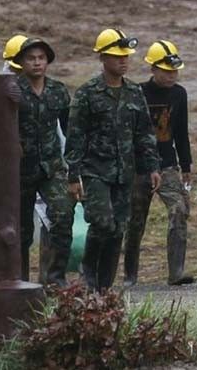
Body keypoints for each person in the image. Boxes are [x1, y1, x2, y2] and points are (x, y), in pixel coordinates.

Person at [65, 29, 161, 292]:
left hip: (124, 173)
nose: (123, 61)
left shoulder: (133, 92)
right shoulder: (87, 93)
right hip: (95, 171)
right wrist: (73, 176)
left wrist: (151, 166)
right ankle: (89, 273)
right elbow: (76, 136)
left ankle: (104, 287)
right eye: (117, 56)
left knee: (118, 229)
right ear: (103, 58)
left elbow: (144, 132)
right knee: (102, 223)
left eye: (126, 56)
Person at [123, 40, 194, 287]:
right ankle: (130, 275)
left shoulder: (179, 94)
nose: (172, 76)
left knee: (179, 210)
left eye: (175, 71)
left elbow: (181, 132)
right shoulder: (136, 92)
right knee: (135, 221)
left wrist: (186, 166)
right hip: (139, 167)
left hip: (167, 165)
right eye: (166, 71)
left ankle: (176, 271)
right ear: (152, 69)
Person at [13, 37, 74, 285]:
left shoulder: (58, 91)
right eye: (31, 58)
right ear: (21, 62)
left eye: (41, 58)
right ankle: (20, 281)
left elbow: (71, 129)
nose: (37, 63)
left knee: (63, 215)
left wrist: (75, 167)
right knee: (21, 231)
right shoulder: (13, 90)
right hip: (20, 169)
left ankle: (55, 280)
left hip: (52, 168)